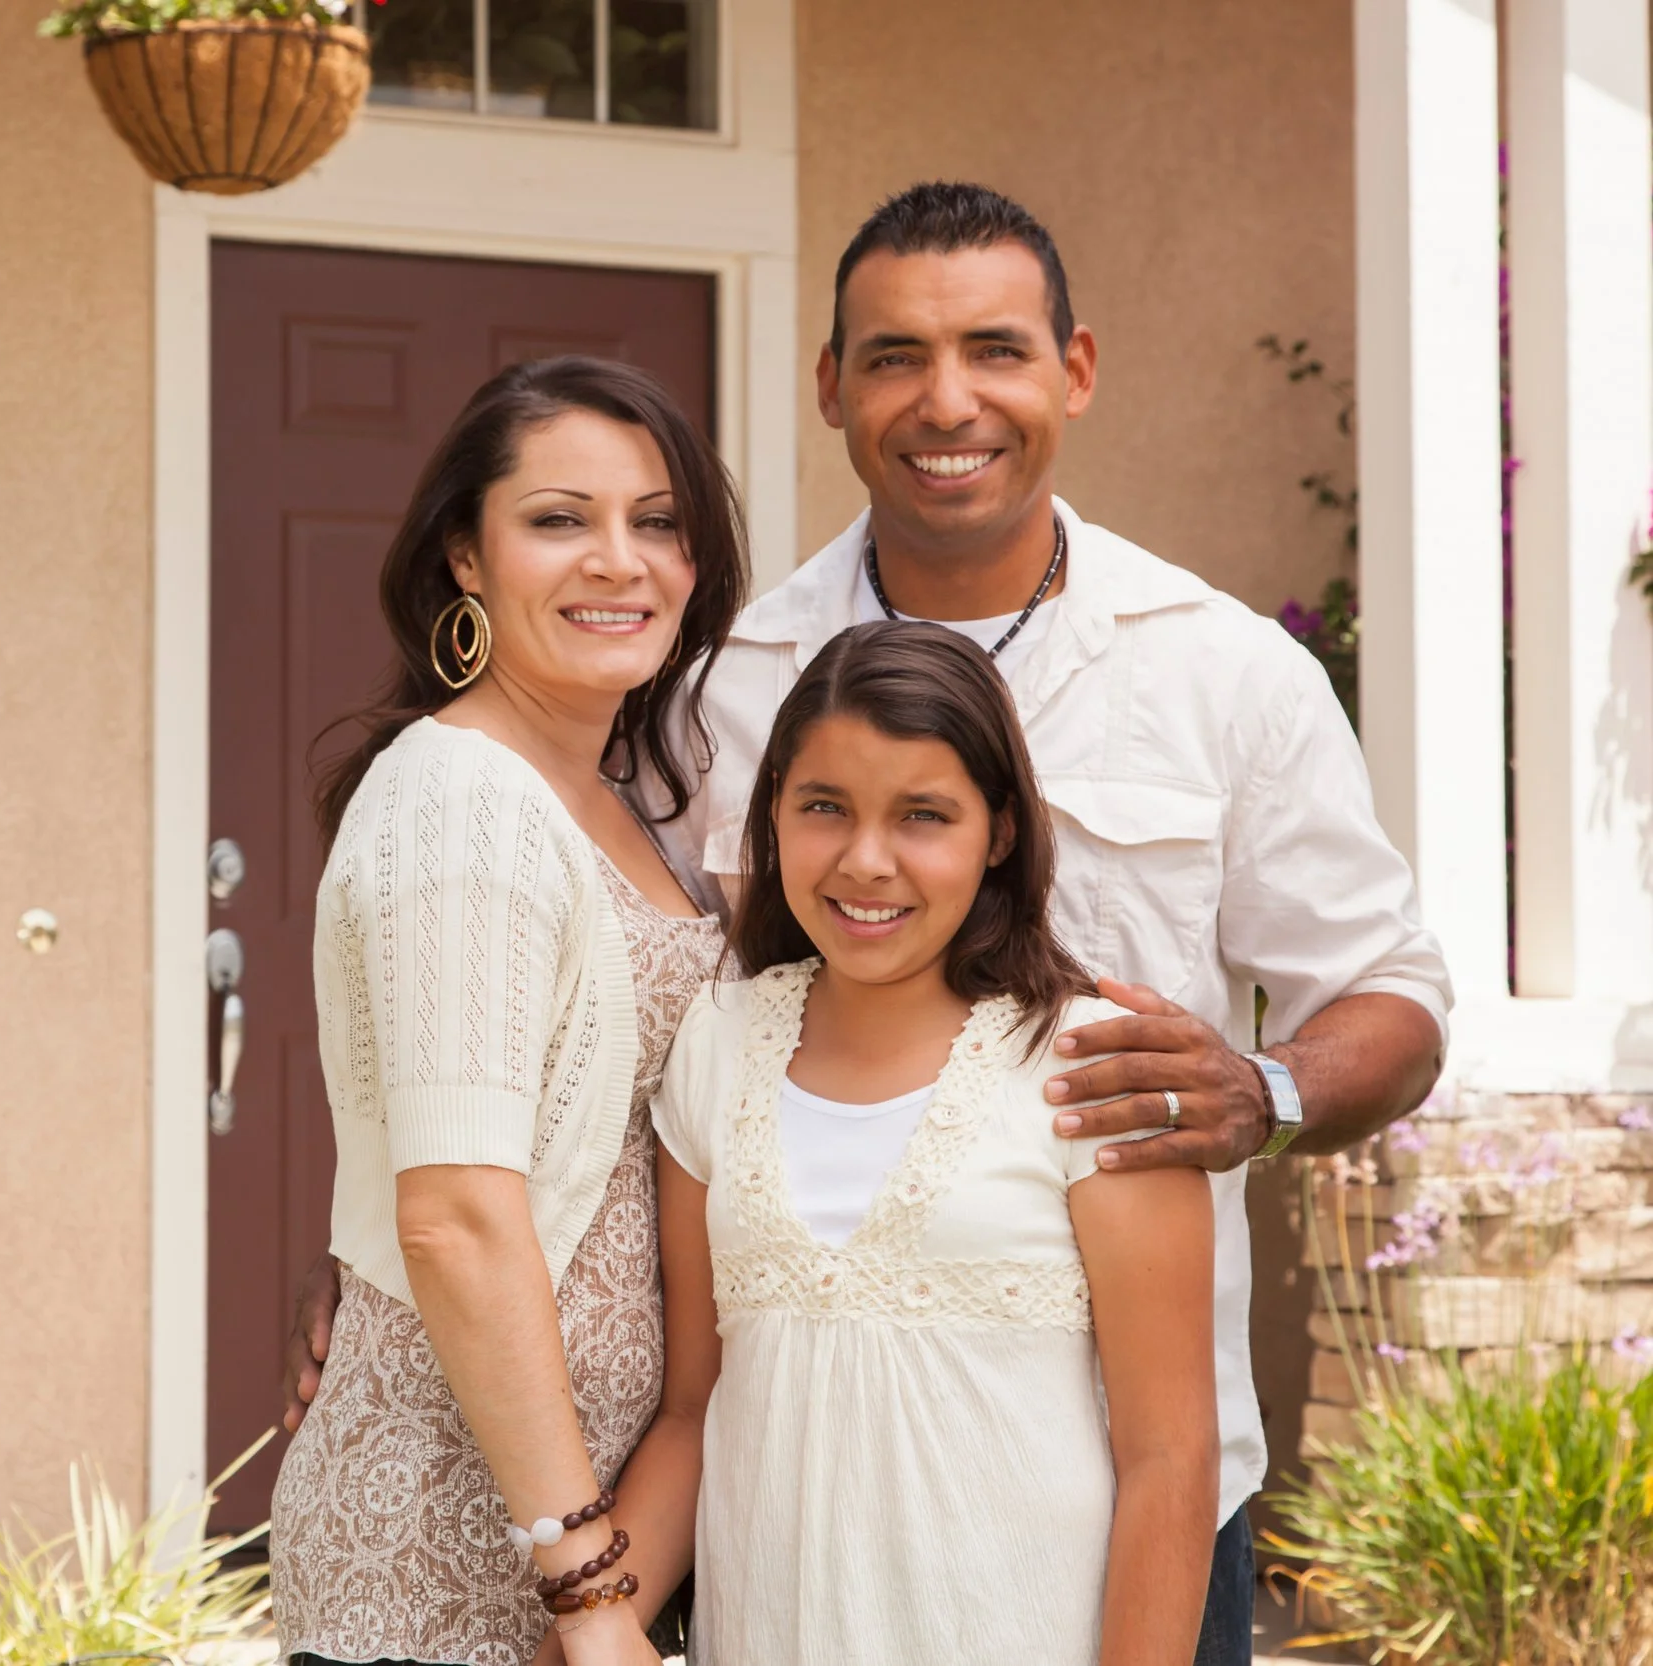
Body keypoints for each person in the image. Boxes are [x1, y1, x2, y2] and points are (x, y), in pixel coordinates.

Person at [285, 183, 1453, 1666]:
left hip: (1139, 1493)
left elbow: (1395, 995)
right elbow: (574, 1018)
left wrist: (1268, 1089)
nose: (946, 398)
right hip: (768, 1509)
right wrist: (400, 1235)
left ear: (1074, 370)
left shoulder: (1226, 673)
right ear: (832, 387)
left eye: (995, 349)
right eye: (894, 355)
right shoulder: (712, 682)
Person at [267, 354, 748, 1666]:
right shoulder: (462, 798)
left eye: (657, 521)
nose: (619, 559)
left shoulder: (622, 806)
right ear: (464, 560)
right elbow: (459, 1215)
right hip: (444, 1563)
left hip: (588, 1546)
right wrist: (590, 1594)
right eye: (558, 519)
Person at [629, 620, 1218, 1662]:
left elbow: (1169, 1462)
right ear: (771, 815)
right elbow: (689, 1411)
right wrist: (589, 1617)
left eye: (922, 816)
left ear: (998, 831)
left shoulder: (1092, 1067)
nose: (866, 861)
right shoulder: (717, 1045)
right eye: (823, 807)